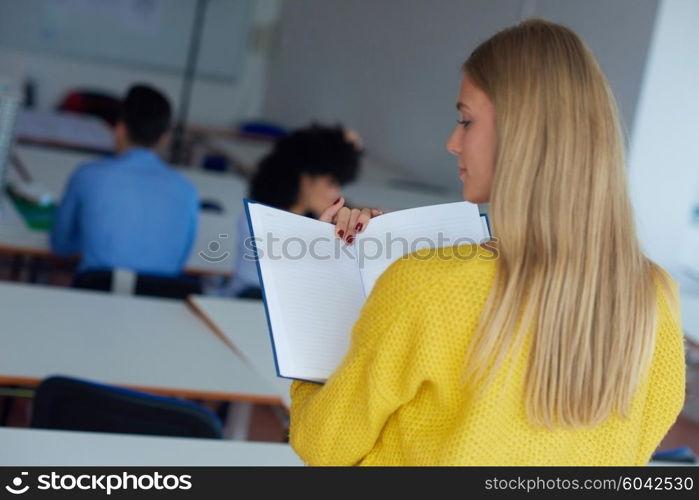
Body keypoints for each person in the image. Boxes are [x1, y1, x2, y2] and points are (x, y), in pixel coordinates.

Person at [288, 19, 686, 465]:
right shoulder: (655, 297)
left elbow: (324, 445)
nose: (452, 142)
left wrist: (322, 290)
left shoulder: (427, 286)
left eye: (466, 121)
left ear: (522, 135)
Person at [51, 84, 199, 276]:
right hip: (157, 299)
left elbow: (60, 245)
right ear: (165, 138)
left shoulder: (87, 175)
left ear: (119, 129)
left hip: (95, 295)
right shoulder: (187, 190)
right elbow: (179, 261)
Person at [228, 124, 366, 298]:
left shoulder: (308, 218)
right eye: (332, 183)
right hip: (249, 304)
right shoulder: (259, 221)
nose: (336, 193)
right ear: (305, 179)